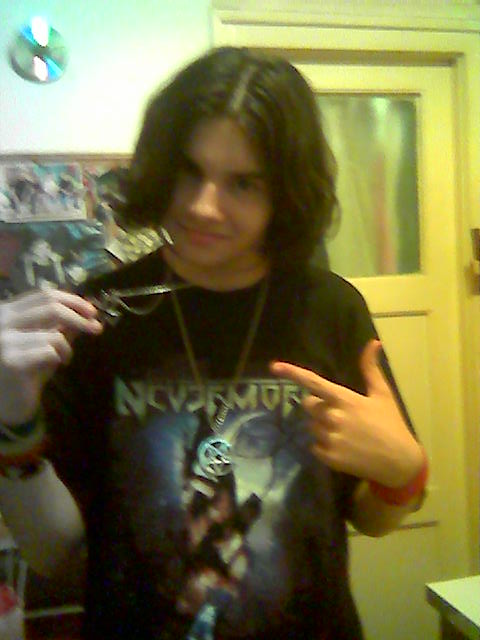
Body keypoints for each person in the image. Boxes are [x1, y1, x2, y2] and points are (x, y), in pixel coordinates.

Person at [0, 46, 428, 639]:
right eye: (188, 171)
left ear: (285, 191)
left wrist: (404, 474)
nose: (203, 206)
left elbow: (372, 517)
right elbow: (54, 553)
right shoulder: (100, 315)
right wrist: (10, 415)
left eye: (243, 183)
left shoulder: (330, 309)